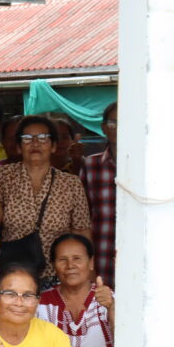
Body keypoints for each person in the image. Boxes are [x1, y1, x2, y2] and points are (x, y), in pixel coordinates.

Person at [0, 115, 92, 287]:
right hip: (15, 277)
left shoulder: (71, 183)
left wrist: (88, 276)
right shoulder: (2, 176)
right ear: (18, 146)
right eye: (27, 138)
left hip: (59, 277)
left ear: (53, 146)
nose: (35, 143)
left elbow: (82, 232)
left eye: (43, 138)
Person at [79, 102, 118, 288]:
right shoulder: (91, 165)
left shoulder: (149, 166)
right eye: (113, 123)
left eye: (126, 121)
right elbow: (82, 217)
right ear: (104, 128)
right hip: (101, 257)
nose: (119, 127)